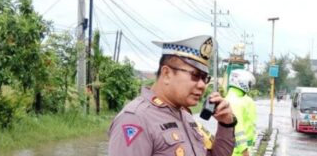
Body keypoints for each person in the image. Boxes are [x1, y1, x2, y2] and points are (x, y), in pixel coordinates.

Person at [108, 35, 237, 156]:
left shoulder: (186, 117)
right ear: (167, 74)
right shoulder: (136, 119)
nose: (202, 85)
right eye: (195, 75)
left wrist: (226, 124)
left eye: (204, 78)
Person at [225, 69, 257, 156]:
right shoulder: (234, 102)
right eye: (249, 84)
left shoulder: (238, 98)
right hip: (238, 153)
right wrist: (245, 151)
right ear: (243, 82)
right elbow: (238, 129)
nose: (250, 87)